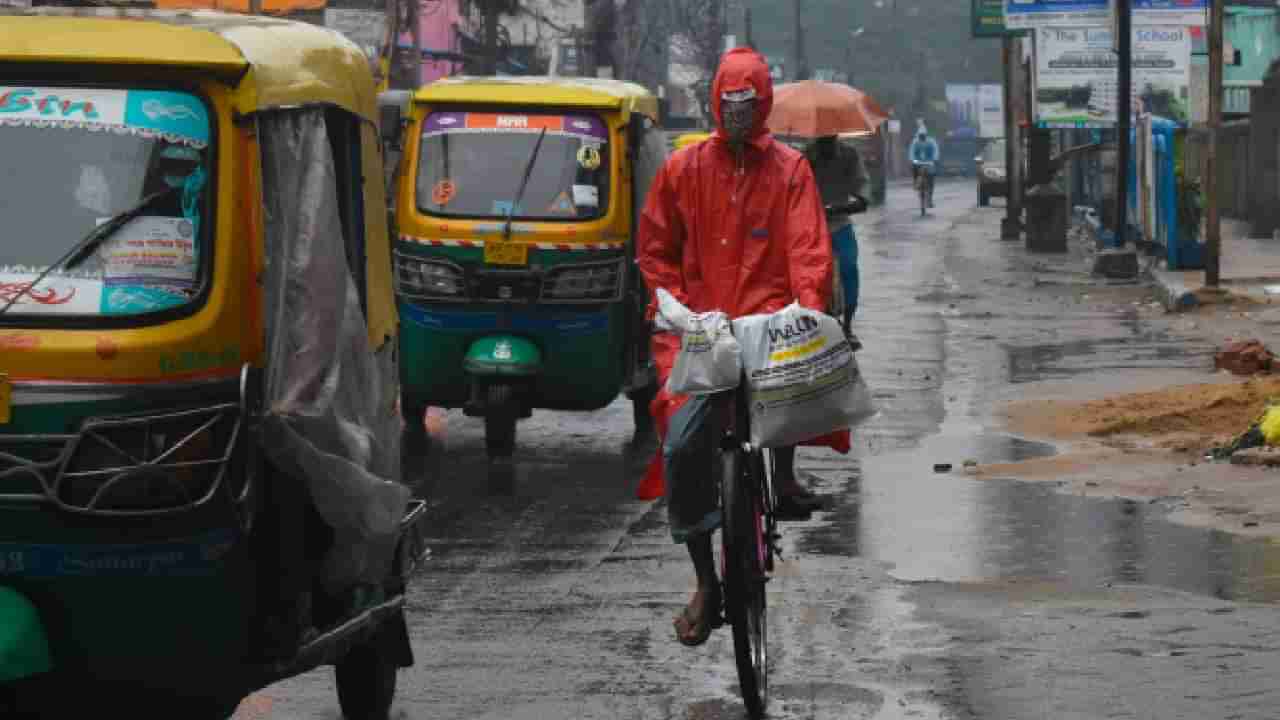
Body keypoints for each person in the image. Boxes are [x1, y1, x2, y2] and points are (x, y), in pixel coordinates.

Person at [637, 47, 850, 647]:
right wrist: (672, 304)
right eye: (728, 105)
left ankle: (780, 482)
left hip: (771, 335)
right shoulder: (684, 170)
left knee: (794, 412)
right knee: (681, 446)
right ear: (715, 104)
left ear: (762, 106)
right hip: (703, 340)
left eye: (746, 105)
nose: (736, 115)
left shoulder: (790, 172)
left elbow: (808, 249)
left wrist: (805, 309)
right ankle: (705, 580)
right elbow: (655, 250)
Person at [804, 135, 865, 343]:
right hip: (812, 224)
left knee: (849, 268)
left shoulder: (850, 155)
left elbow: (860, 184)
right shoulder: (804, 156)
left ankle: (848, 325)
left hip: (840, 222)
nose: (826, 143)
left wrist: (859, 199)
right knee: (809, 274)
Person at [909, 129, 939, 207]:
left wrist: (935, 159)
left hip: (929, 162)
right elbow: (911, 151)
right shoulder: (915, 142)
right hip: (918, 162)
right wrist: (912, 159)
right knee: (914, 169)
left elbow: (935, 150)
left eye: (923, 136)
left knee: (931, 178)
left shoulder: (931, 141)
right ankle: (915, 182)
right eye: (920, 136)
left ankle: (930, 198)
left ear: (926, 135)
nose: (922, 137)